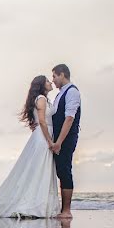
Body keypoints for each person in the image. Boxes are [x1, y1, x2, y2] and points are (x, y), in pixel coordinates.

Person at [0, 74, 61, 218]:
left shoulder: (45, 100)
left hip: (43, 134)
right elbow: (42, 121)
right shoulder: (41, 99)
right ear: (42, 85)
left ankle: (39, 203)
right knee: (39, 170)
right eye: (48, 81)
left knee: (40, 170)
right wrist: (50, 141)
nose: (50, 82)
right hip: (43, 137)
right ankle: (34, 206)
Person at [49, 64, 81, 219]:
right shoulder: (59, 94)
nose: (53, 80)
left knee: (64, 170)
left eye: (54, 76)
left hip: (66, 139)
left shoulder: (72, 92)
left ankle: (67, 211)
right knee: (59, 171)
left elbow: (69, 119)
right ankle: (60, 209)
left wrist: (59, 142)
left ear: (62, 75)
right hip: (57, 139)